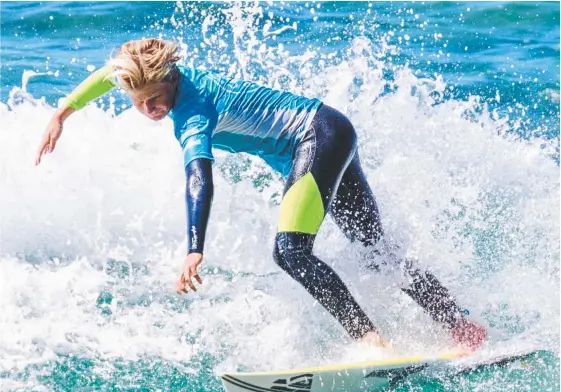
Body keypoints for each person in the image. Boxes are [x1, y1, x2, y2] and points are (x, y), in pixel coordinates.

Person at [36, 38, 486, 350]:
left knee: (289, 251)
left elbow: (199, 176)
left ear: (169, 81)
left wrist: (195, 248)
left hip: (317, 139)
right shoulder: (148, 76)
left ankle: (369, 339)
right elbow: (109, 75)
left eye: (153, 100)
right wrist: (63, 112)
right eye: (137, 104)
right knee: (375, 253)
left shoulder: (192, 112)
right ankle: (463, 328)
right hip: (334, 127)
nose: (149, 110)